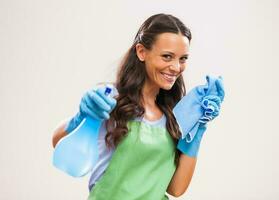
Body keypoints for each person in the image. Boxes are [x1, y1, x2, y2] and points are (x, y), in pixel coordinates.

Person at [52, 13, 225, 200]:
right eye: (167, 56)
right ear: (142, 51)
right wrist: (81, 117)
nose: (176, 67)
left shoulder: (174, 115)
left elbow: (176, 189)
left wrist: (197, 130)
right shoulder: (113, 100)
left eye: (183, 59)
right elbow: (57, 142)